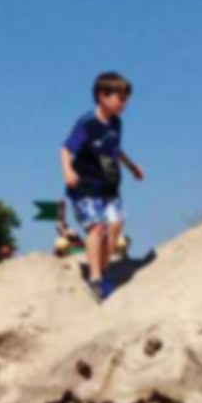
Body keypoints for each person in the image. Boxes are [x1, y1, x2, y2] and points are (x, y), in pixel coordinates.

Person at [61, 72, 145, 300]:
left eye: (126, 99)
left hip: (108, 184)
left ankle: (103, 268)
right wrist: (68, 171)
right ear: (102, 96)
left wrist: (132, 166)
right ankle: (96, 278)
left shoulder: (117, 123)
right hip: (84, 185)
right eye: (121, 98)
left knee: (116, 225)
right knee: (97, 228)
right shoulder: (87, 123)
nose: (125, 104)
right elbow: (66, 149)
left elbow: (115, 150)